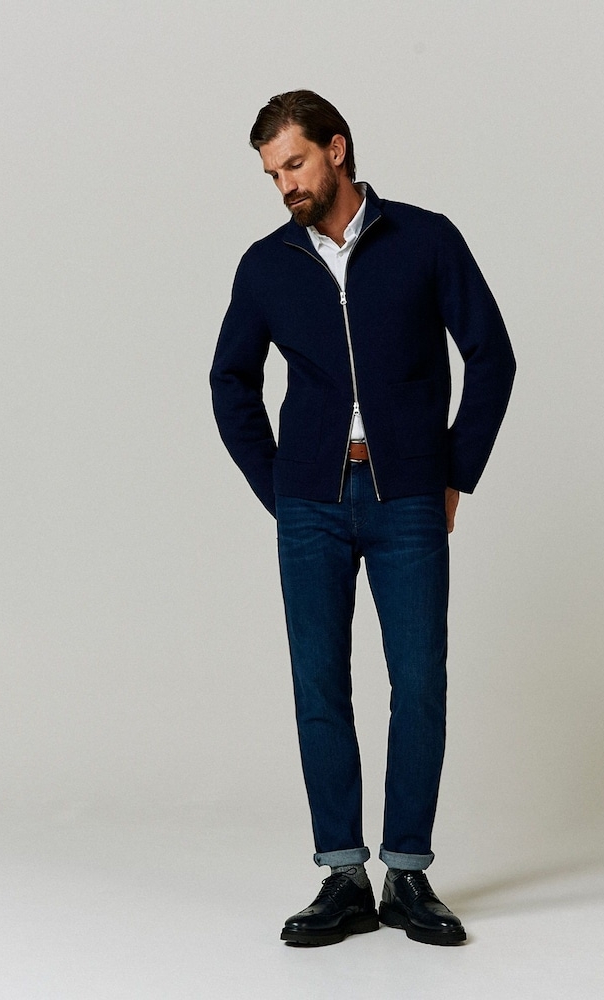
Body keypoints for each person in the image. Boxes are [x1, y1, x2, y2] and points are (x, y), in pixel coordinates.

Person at [210, 91, 515, 947]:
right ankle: (343, 876)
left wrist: (454, 473)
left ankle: (407, 874)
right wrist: (279, 486)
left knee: (418, 684)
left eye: (295, 164)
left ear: (337, 149)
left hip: (407, 494)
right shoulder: (266, 265)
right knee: (320, 686)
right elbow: (230, 381)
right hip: (310, 503)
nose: (285, 185)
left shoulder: (425, 239)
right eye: (272, 174)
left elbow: (492, 355)